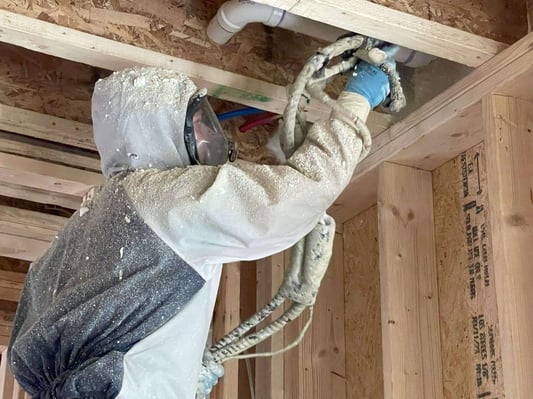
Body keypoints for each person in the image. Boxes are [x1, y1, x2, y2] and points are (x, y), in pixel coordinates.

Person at [8, 56, 393, 398]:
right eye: (200, 127)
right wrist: (355, 103)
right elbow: (292, 199)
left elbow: (114, 352)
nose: (214, 139)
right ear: (154, 132)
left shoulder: (85, 231)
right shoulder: (158, 202)